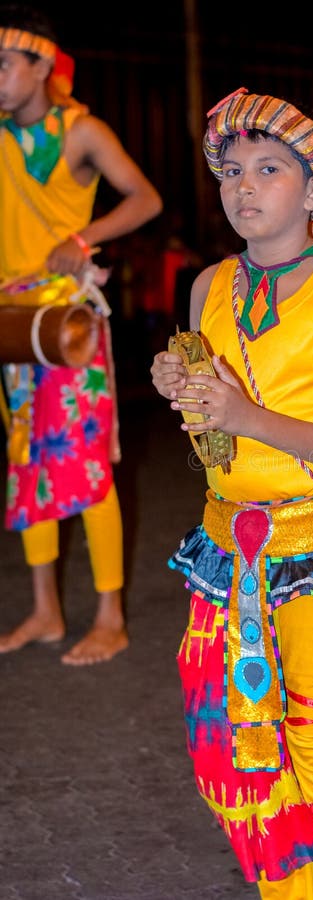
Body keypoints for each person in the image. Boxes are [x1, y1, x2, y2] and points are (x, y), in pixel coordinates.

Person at [150, 86, 313, 898]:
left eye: (270, 168)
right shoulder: (205, 288)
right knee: (222, 744)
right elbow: (217, 446)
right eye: (231, 170)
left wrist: (241, 409)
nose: (245, 186)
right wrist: (190, 400)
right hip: (223, 547)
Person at [0, 4, 162, 664]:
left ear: (41, 66)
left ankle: (110, 615)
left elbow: (144, 198)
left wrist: (82, 237)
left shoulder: (83, 131)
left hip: (67, 320)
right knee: (24, 460)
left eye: (4, 64)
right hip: (11, 323)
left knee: (85, 468)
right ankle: (44, 609)